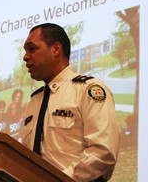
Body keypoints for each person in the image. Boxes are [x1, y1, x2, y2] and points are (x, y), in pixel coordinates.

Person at [22, 23, 119, 182]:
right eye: (25, 51)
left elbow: (103, 152)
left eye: (31, 49)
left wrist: (59, 179)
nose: (25, 57)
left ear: (55, 49)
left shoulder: (88, 90)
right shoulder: (33, 102)